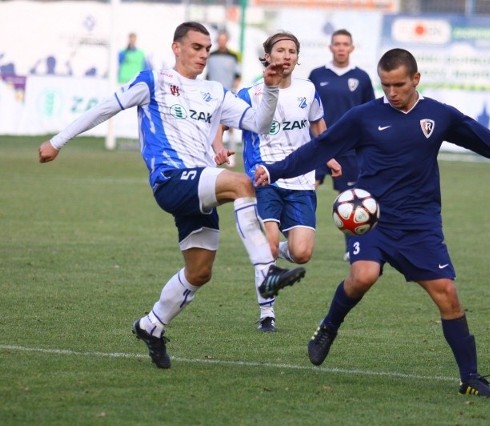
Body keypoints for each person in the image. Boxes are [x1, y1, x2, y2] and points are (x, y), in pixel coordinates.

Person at [254, 48, 490, 397]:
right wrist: (274, 170)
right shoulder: (364, 117)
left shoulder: (437, 115)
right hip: (371, 218)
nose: (392, 92)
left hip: (420, 224)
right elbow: (319, 147)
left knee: (448, 296)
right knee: (363, 275)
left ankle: (470, 377)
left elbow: (482, 139)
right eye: (386, 85)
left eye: (399, 85)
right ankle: (329, 327)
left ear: (416, 79)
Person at [38, 21, 306, 369]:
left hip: (200, 184)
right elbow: (106, 108)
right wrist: (56, 142)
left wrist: (269, 90)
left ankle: (151, 325)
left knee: (199, 272)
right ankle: (267, 272)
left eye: (207, 49)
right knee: (242, 184)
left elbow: (260, 124)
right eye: (196, 47)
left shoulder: (216, 91)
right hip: (172, 180)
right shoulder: (155, 81)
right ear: (176, 47)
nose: (203, 54)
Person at [215, 31, 340, 333]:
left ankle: (272, 255)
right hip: (264, 175)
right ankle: (266, 313)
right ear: (268, 57)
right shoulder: (251, 93)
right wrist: (218, 146)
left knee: (302, 253)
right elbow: (221, 120)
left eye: (292, 51)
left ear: (297, 58)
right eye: (280, 50)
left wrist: (330, 156)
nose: (286, 55)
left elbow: (318, 126)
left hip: (301, 178)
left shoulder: (308, 90)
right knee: (269, 245)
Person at [308, 29, 375, 261]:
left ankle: (352, 247)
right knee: (305, 190)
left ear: (352, 48)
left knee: (351, 199)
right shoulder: (317, 75)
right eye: (337, 43)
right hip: (319, 144)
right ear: (330, 47)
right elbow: (306, 110)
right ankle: (295, 238)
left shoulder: (362, 78)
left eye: (345, 44)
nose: (341, 48)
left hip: (348, 149)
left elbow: (370, 113)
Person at [207, 29, 242, 166]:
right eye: (220, 39)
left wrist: (233, 91)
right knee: (211, 124)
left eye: (224, 39)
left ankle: (230, 154)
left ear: (227, 40)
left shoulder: (234, 56)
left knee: (230, 125)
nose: (222, 42)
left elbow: (237, 76)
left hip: (227, 94)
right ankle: (213, 153)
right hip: (212, 96)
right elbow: (208, 76)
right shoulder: (211, 56)